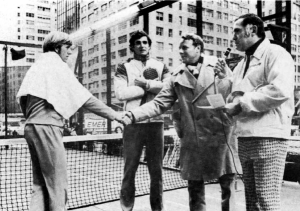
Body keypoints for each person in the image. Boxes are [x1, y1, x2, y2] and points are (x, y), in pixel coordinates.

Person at [122, 32, 241, 211]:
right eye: (180, 48)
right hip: (193, 140)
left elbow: (234, 94)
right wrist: (132, 115)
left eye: (184, 47)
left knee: (227, 188)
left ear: (198, 48)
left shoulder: (218, 66)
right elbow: (159, 103)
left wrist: (226, 77)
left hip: (221, 137)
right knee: (195, 190)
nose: (180, 52)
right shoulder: (176, 76)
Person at [16, 31, 124, 211]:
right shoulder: (56, 65)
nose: (69, 51)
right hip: (48, 128)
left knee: (40, 185)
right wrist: (116, 115)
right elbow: (85, 99)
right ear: (57, 48)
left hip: (31, 127)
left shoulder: (38, 66)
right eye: (67, 47)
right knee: (58, 186)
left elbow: (22, 99)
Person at [214, 14, 294, 211]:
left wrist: (241, 104)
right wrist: (226, 78)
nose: (233, 37)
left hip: (269, 135)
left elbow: (280, 90)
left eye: (236, 31)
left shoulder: (277, 54)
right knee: (252, 201)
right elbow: (237, 92)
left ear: (251, 30)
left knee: (267, 199)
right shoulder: (242, 63)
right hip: (246, 136)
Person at [114, 30, 170, 211]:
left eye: (145, 42)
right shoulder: (123, 67)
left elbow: (168, 90)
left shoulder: (161, 66)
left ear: (149, 45)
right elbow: (121, 94)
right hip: (133, 123)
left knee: (157, 172)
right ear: (132, 47)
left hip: (156, 122)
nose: (142, 45)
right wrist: (150, 88)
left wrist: (144, 84)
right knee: (130, 169)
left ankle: (157, 208)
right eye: (138, 43)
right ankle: (126, 208)